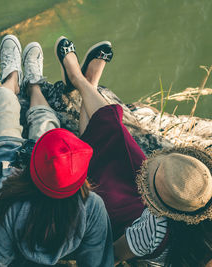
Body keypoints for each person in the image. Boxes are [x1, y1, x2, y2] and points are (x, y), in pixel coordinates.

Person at [55, 36, 212, 266]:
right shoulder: (191, 203)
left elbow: (115, 254)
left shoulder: (152, 232)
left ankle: (79, 79)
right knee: (116, 142)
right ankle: (89, 85)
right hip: (166, 194)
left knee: (112, 143)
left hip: (127, 214)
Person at [0, 34, 114, 266]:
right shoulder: (92, 207)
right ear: (79, 180)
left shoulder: (6, 206)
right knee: (45, 121)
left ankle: (12, 79)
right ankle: (34, 87)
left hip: (4, 174)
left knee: (3, 103)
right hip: (40, 177)